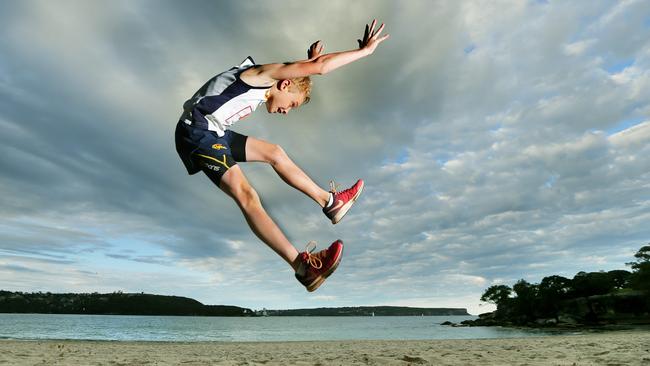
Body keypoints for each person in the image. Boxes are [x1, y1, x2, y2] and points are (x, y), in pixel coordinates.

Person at [175, 20, 389, 292]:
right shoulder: (262, 75)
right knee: (247, 196)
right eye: (292, 105)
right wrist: (364, 53)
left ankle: (330, 202)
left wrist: (307, 66)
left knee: (275, 152)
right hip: (197, 132)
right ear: (285, 85)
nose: (287, 111)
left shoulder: (269, 82)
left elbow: (297, 74)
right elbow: (320, 68)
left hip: (215, 131)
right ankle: (303, 267)